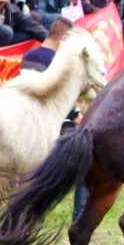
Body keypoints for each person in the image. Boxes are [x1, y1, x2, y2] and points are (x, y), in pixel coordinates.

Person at [20, 16, 86, 219]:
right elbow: (58, 97)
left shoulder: (28, 55)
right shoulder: (56, 60)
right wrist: (77, 117)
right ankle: (80, 216)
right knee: (84, 160)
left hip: (27, 121)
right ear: (65, 37)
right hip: (53, 123)